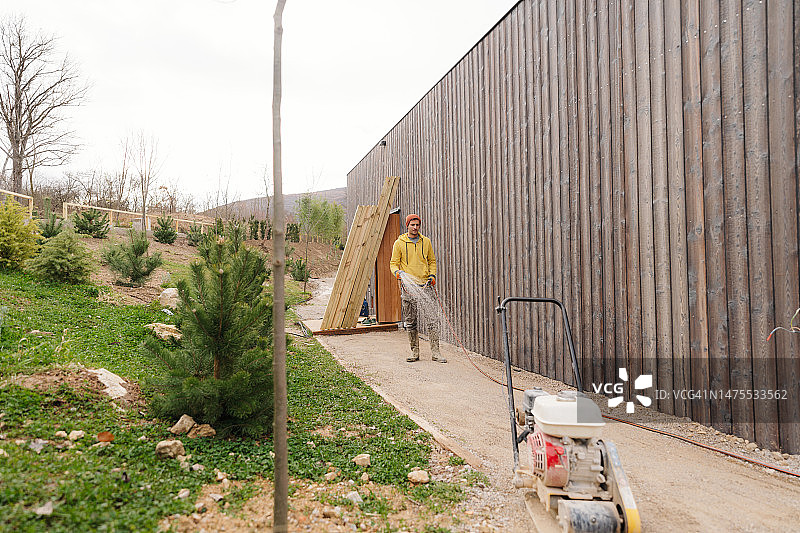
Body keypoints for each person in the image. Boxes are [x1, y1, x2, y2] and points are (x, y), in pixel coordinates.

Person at [389, 213, 444, 363]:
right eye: (412, 225)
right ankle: (415, 352)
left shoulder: (426, 242)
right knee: (411, 321)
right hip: (408, 288)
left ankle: (436, 353)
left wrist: (432, 275)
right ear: (407, 225)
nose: (415, 227)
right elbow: (393, 263)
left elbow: (432, 261)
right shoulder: (399, 243)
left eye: (417, 225)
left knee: (432, 320)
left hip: (425, 285)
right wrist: (398, 273)